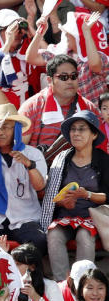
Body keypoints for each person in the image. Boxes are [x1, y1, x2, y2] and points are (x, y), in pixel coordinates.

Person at [40, 110, 109, 280]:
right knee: (54, 234)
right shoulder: (61, 159)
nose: (76, 133)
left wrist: (87, 195)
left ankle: (82, 284)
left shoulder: (104, 160)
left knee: (84, 236)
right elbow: (52, 198)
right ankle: (62, 286)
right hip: (65, 216)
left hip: (92, 218)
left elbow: (108, 196)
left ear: (94, 135)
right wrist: (63, 203)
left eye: (82, 129)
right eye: (73, 129)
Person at [0, 105, 48, 249]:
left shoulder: (33, 154)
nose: (0, 131)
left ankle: (30, 272)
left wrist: (29, 165)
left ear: (16, 129)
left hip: (24, 217)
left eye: (5, 127)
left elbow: (40, 186)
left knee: (39, 241)